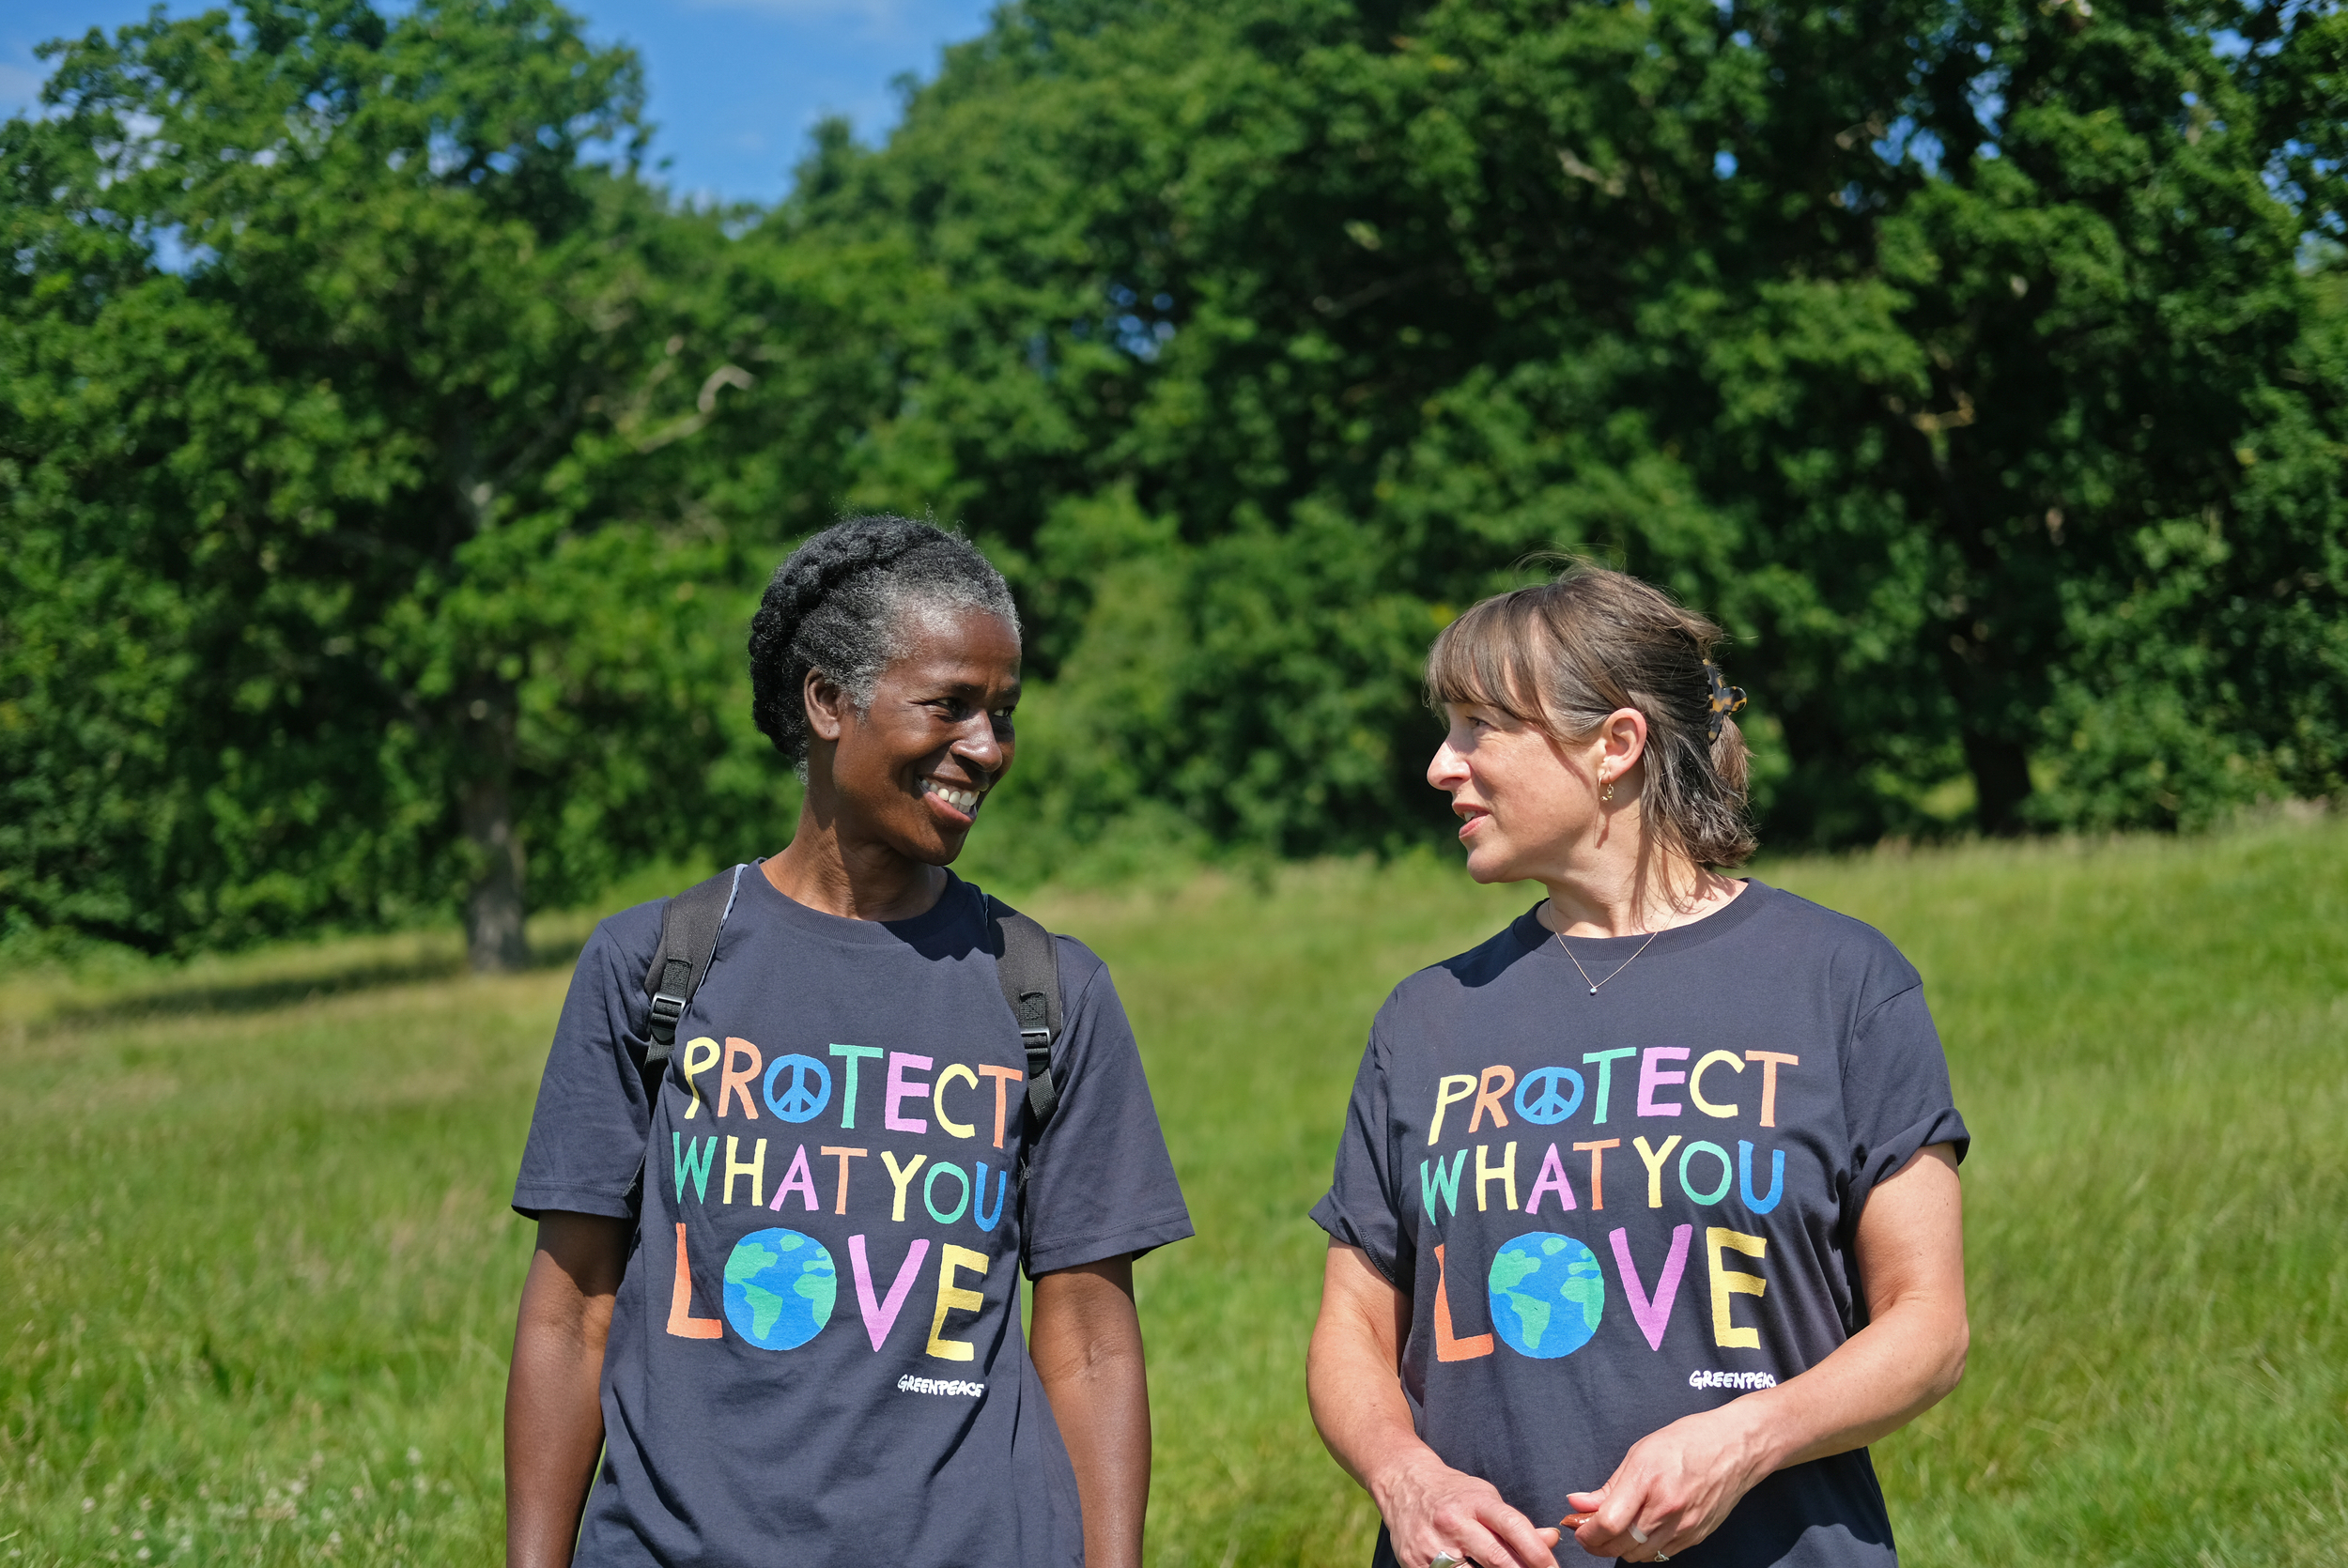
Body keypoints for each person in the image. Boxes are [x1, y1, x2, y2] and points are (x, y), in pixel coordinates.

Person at [502, 516, 1193, 1568]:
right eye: (950, 705)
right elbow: (572, 1313)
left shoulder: (1047, 990)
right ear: (829, 701)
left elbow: (1094, 1344)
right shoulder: (656, 964)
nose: (987, 748)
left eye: (1003, 713)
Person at [1305, 565, 1969, 1568]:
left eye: (1481, 727)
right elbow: (1353, 1326)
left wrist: (1747, 1437)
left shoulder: (1838, 980)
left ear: (1614, 745)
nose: (1442, 765)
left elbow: (1928, 1327)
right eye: (1448, 729)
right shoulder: (1427, 1017)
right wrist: (1406, 1477)